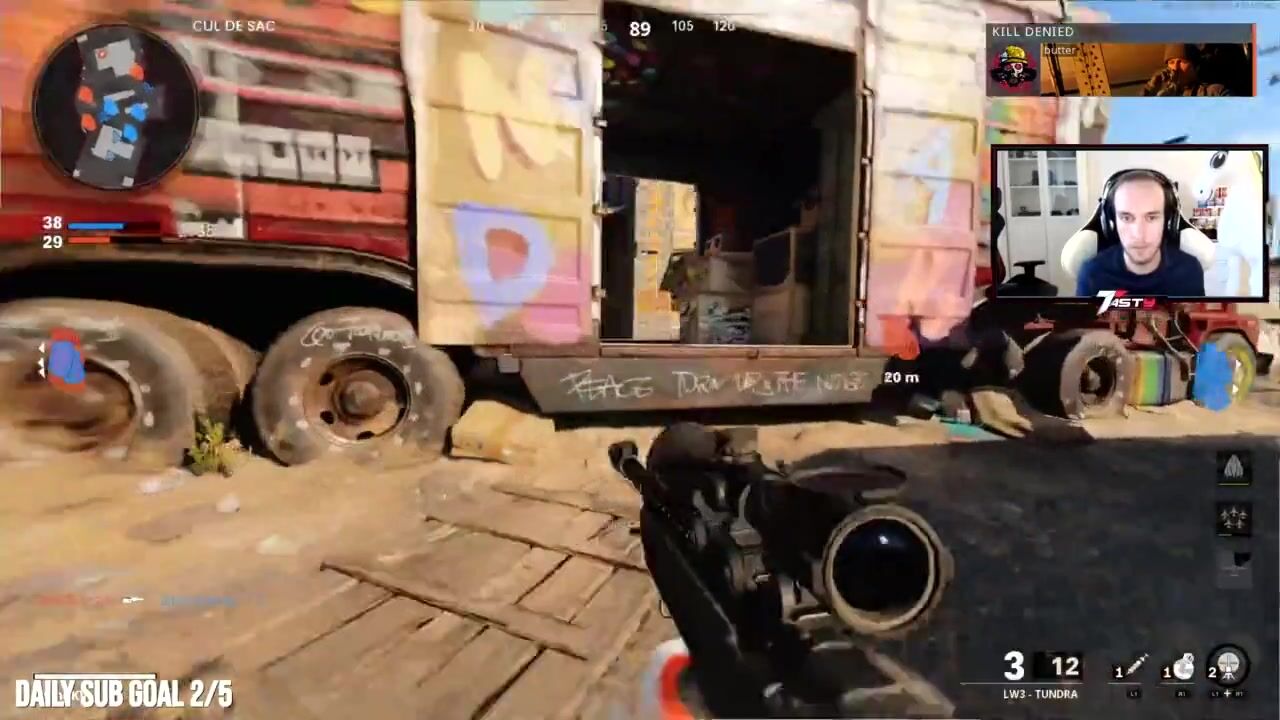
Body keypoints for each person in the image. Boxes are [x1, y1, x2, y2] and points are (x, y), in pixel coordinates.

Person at [1075, 170, 1205, 297]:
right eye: (1126, 218)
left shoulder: (1189, 271)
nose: (1139, 235)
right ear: (1111, 223)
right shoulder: (1092, 275)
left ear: (1168, 222)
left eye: (1151, 218)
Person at [1142, 43, 1229, 97]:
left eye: (1181, 62)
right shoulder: (1164, 95)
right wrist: (1150, 89)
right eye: (1171, 62)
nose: (1175, 67)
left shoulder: (1214, 92)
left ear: (1194, 66)